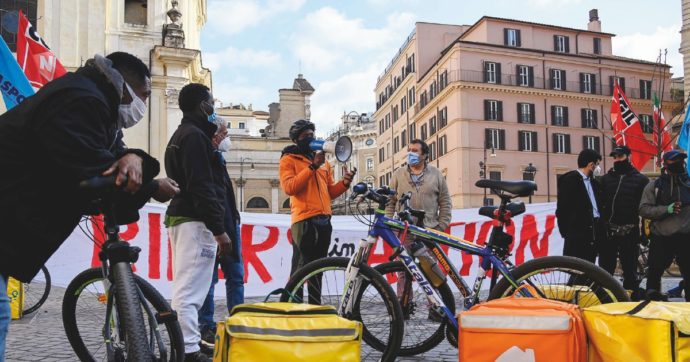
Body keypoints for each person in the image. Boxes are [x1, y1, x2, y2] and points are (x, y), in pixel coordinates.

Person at [0, 52, 179, 361]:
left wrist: (135, 159)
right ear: (124, 85)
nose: (144, 107)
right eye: (144, 96)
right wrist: (150, 186)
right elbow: (92, 168)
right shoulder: (79, 99)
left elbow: (114, 159)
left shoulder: (97, 106)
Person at [164, 83, 232, 362]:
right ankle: (188, 351)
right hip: (195, 221)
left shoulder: (184, 134)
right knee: (189, 292)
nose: (214, 107)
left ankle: (187, 346)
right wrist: (219, 230)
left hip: (187, 218)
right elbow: (203, 185)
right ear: (202, 105)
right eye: (211, 102)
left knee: (188, 288)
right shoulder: (193, 136)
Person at [279, 119, 355, 304]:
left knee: (318, 268)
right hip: (304, 220)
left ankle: (314, 305)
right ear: (297, 140)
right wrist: (312, 166)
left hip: (324, 219)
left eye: (312, 135)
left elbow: (330, 192)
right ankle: (291, 306)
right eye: (306, 136)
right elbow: (290, 188)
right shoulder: (289, 159)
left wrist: (345, 183)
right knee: (300, 268)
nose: (311, 139)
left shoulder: (324, 163)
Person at [385, 139, 452, 320]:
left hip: (429, 230)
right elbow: (390, 202)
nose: (411, 153)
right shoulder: (398, 174)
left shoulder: (436, 174)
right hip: (404, 230)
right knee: (403, 270)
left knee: (430, 269)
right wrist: (388, 224)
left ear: (424, 155)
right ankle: (403, 305)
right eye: (409, 150)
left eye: (414, 150)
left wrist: (441, 226)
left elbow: (445, 202)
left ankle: (435, 306)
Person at [197, 121, 243, 348]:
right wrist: (218, 229)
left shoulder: (218, 158)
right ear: (214, 136)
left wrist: (234, 218)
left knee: (235, 275)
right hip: (215, 227)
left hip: (229, 223)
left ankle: (239, 321)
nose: (227, 137)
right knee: (210, 278)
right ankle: (206, 326)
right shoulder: (207, 157)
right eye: (224, 133)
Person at [639, 150, 690, 301]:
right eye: (675, 162)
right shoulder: (654, 186)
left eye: (680, 162)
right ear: (665, 165)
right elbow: (643, 209)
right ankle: (652, 305)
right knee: (654, 273)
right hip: (661, 237)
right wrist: (666, 210)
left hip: (686, 237)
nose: (679, 165)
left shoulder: (688, 183)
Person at [599, 146, 649, 299]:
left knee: (630, 268)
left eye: (620, 156)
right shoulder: (605, 180)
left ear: (628, 156)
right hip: (608, 231)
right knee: (605, 268)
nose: (617, 159)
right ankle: (604, 297)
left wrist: (644, 232)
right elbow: (599, 206)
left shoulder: (641, 180)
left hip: (630, 231)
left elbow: (645, 209)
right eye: (614, 157)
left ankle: (630, 298)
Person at [556, 149, 603, 263]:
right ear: (591, 165)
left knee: (589, 268)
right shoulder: (569, 180)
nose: (597, 168)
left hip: (592, 232)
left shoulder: (595, 183)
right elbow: (562, 209)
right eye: (597, 164)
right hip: (577, 234)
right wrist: (566, 233)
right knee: (577, 269)